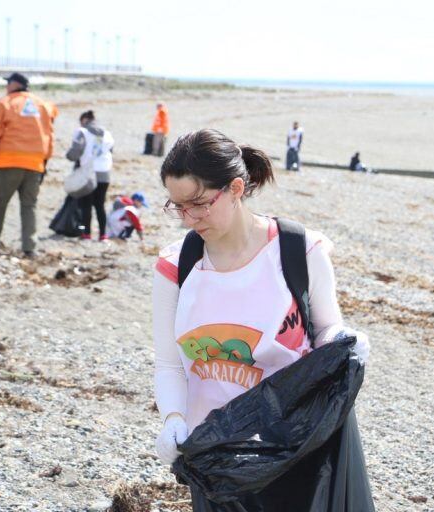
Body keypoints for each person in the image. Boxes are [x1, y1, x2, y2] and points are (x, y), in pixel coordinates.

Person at [151, 129, 371, 503]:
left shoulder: (298, 250)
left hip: (296, 446)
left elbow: (326, 328)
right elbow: (169, 365)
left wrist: (342, 339)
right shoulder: (177, 266)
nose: (189, 218)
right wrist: (173, 418)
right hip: (218, 455)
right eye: (178, 206)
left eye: (199, 203)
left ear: (236, 188)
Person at [0, 72, 55, 258]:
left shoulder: (5, 103)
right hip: (35, 163)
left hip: (10, 162)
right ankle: (30, 247)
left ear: (14, 84)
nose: (6, 87)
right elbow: (49, 135)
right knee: (29, 206)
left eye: (7, 83)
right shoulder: (42, 105)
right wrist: (45, 159)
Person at [65, 110, 114, 241]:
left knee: (86, 204)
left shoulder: (82, 132)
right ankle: (103, 234)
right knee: (100, 205)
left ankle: (86, 233)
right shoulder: (107, 134)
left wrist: (70, 156)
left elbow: (75, 152)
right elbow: (110, 151)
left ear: (85, 120)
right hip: (104, 173)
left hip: (88, 173)